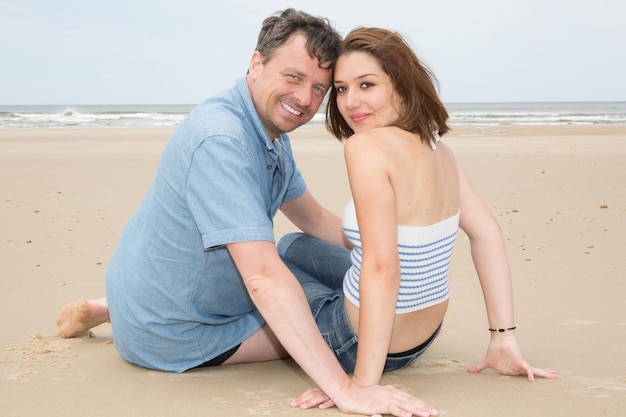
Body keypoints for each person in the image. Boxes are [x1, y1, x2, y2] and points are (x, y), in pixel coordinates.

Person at [56, 10, 440, 417]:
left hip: (152, 289)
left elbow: (313, 220)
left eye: (319, 88)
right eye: (293, 77)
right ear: (256, 64)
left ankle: (116, 307)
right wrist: (346, 390)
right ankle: (130, 318)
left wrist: (387, 245)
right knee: (344, 327)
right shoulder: (221, 140)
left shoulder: (268, 129)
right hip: (179, 333)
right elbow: (261, 277)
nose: (305, 99)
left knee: (294, 246)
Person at [277, 27, 556, 412]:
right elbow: (487, 233)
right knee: (294, 245)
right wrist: (502, 338)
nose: (350, 102)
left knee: (276, 264)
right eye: (341, 89)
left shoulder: (365, 148)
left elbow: (382, 268)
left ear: (403, 86)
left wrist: (360, 384)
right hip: (422, 338)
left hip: (358, 342)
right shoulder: (438, 148)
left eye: (367, 85)